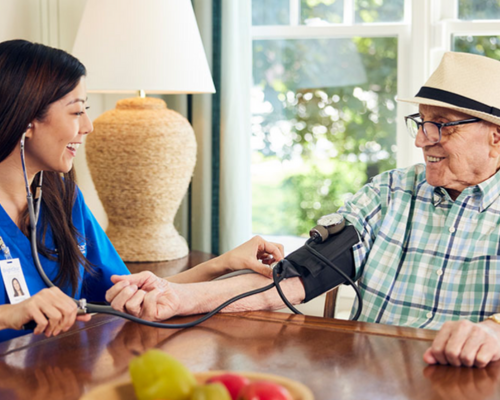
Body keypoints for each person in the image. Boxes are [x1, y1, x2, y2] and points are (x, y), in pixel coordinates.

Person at [107, 51, 500, 368]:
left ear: (495, 137)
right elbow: (298, 276)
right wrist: (180, 297)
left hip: (469, 382)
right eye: (422, 122)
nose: (421, 140)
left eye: (442, 125)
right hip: (373, 378)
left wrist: (493, 331)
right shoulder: (391, 193)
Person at [0, 39, 284, 342]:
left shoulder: (63, 199)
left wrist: (223, 264)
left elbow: (130, 294)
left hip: (62, 370)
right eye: (77, 112)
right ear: (28, 119)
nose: (88, 126)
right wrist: (8, 314)